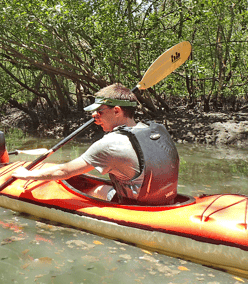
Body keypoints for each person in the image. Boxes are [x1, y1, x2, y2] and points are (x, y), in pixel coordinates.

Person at [12, 83, 179, 206]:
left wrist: (26, 175)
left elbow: (63, 171)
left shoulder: (110, 144)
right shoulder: (154, 130)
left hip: (138, 206)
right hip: (166, 199)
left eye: (100, 111)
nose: (94, 116)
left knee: (96, 191)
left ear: (117, 111)